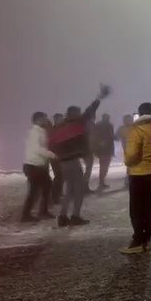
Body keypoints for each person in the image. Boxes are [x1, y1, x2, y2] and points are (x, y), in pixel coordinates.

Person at [49, 84, 111, 227]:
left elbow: (51, 144)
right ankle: (75, 216)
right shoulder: (77, 123)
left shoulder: (59, 128)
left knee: (69, 189)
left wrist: (59, 154)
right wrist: (99, 97)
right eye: (78, 112)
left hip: (63, 162)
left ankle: (63, 216)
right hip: (73, 161)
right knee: (78, 189)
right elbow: (90, 110)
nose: (80, 113)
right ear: (73, 114)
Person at [120, 102, 151, 254]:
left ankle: (137, 241)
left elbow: (131, 156)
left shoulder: (136, 129)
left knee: (137, 210)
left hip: (139, 174)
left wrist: (126, 161)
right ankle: (147, 239)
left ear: (139, 113)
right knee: (149, 207)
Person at [21, 112, 56, 223]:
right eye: (44, 118)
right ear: (38, 120)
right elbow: (37, 149)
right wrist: (51, 154)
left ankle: (40, 212)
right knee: (35, 191)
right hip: (34, 165)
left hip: (38, 165)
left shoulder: (39, 131)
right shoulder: (35, 132)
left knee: (45, 187)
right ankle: (27, 215)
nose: (46, 120)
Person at [94, 113, 115, 190]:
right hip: (103, 150)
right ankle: (101, 182)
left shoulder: (108, 125)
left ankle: (102, 182)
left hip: (106, 149)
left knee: (104, 167)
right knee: (104, 166)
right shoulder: (101, 125)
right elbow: (96, 137)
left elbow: (111, 137)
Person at [49, 113, 64, 204]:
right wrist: (55, 154)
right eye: (60, 119)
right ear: (56, 120)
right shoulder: (53, 130)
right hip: (55, 157)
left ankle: (59, 194)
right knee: (59, 176)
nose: (62, 120)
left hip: (61, 156)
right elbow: (52, 144)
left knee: (61, 176)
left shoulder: (61, 129)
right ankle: (55, 196)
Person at [115, 114, 133, 187]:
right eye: (126, 120)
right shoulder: (121, 128)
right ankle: (128, 179)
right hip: (127, 148)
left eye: (129, 119)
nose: (128, 121)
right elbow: (116, 137)